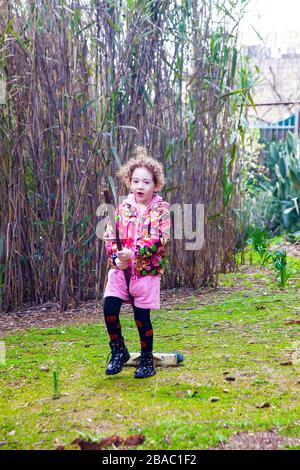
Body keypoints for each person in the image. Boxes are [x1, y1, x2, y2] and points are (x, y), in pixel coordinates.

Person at [102, 146, 171, 379]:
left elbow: (159, 239)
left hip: (145, 273)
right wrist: (115, 257)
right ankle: (119, 350)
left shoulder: (160, 210)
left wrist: (134, 253)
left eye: (147, 182)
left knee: (142, 318)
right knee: (109, 308)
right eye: (136, 181)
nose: (140, 186)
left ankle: (146, 358)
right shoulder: (122, 209)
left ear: (156, 185)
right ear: (129, 182)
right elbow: (110, 236)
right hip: (120, 272)